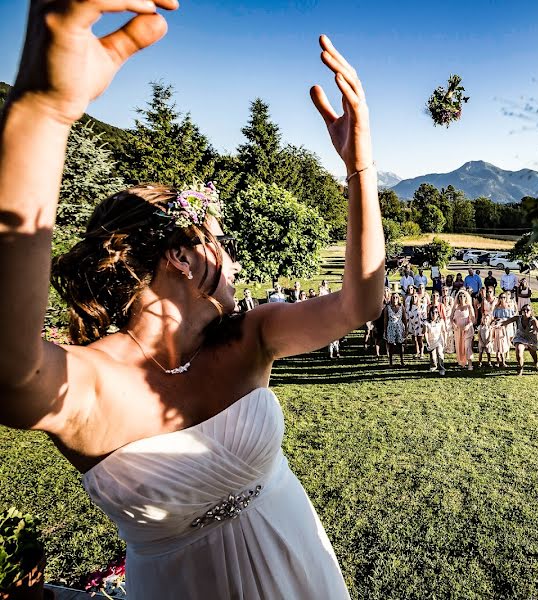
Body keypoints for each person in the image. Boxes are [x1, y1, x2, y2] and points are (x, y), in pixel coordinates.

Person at [0, 6, 382, 597]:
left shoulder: (252, 335)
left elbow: (360, 303)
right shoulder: (92, 383)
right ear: (181, 255)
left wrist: (359, 167)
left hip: (305, 574)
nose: (232, 262)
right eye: (221, 243)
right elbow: (10, 371)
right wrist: (43, 115)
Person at [500, 304, 538, 376]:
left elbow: (537, 328)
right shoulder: (517, 318)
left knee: (533, 353)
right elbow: (505, 322)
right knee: (518, 351)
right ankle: (520, 368)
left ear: (531, 311)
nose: (525, 311)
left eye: (527, 310)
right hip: (520, 336)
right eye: (523, 310)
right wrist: (497, 324)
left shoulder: (533, 320)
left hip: (531, 337)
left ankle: (536, 364)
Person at [451, 291, 476, 370]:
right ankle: (462, 362)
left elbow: (473, 318)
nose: (462, 298)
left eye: (463, 296)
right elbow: (451, 318)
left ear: (466, 297)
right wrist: (454, 324)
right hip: (458, 330)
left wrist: (468, 325)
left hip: (467, 329)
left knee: (467, 346)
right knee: (459, 346)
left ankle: (470, 364)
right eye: (460, 297)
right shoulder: (455, 307)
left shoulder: (469, 306)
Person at [492, 292, 516, 368]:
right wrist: (497, 321)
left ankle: (505, 358)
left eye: (504, 297)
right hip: (498, 328)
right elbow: (494, 318)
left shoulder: (508, 307)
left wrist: (505, 322)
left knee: (506, 341)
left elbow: (512, 318)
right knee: (498, 343)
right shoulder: (496, 308)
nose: (502, 299)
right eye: (501, 297)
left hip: (507, 326)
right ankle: (498, 361)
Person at [383, 292, 406, 366]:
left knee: (400, 345)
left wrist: (406, 329)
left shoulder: (401, 307)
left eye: (396, 297)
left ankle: (402, 361)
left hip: (399, 328)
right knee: (391, 346)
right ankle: (390, 362)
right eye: (393, 297)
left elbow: (404, 319)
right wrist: (385, 330)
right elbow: (385, 319)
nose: (395, 299)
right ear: (391, 298)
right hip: (391, 328)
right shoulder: (388, 307)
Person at [424, 306, 446, 376]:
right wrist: (427, 342)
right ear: (430, 313)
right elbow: (426, 332)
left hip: (439, 340)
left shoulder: (441, 321)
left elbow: (444, 331)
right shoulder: (426, 322)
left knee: (440, 354)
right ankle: (433, 366)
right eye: (433, 312)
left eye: (436, 312)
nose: (434, 314)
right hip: (431, 341)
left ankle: (441, 368)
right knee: (433, 357)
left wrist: (445, 341)